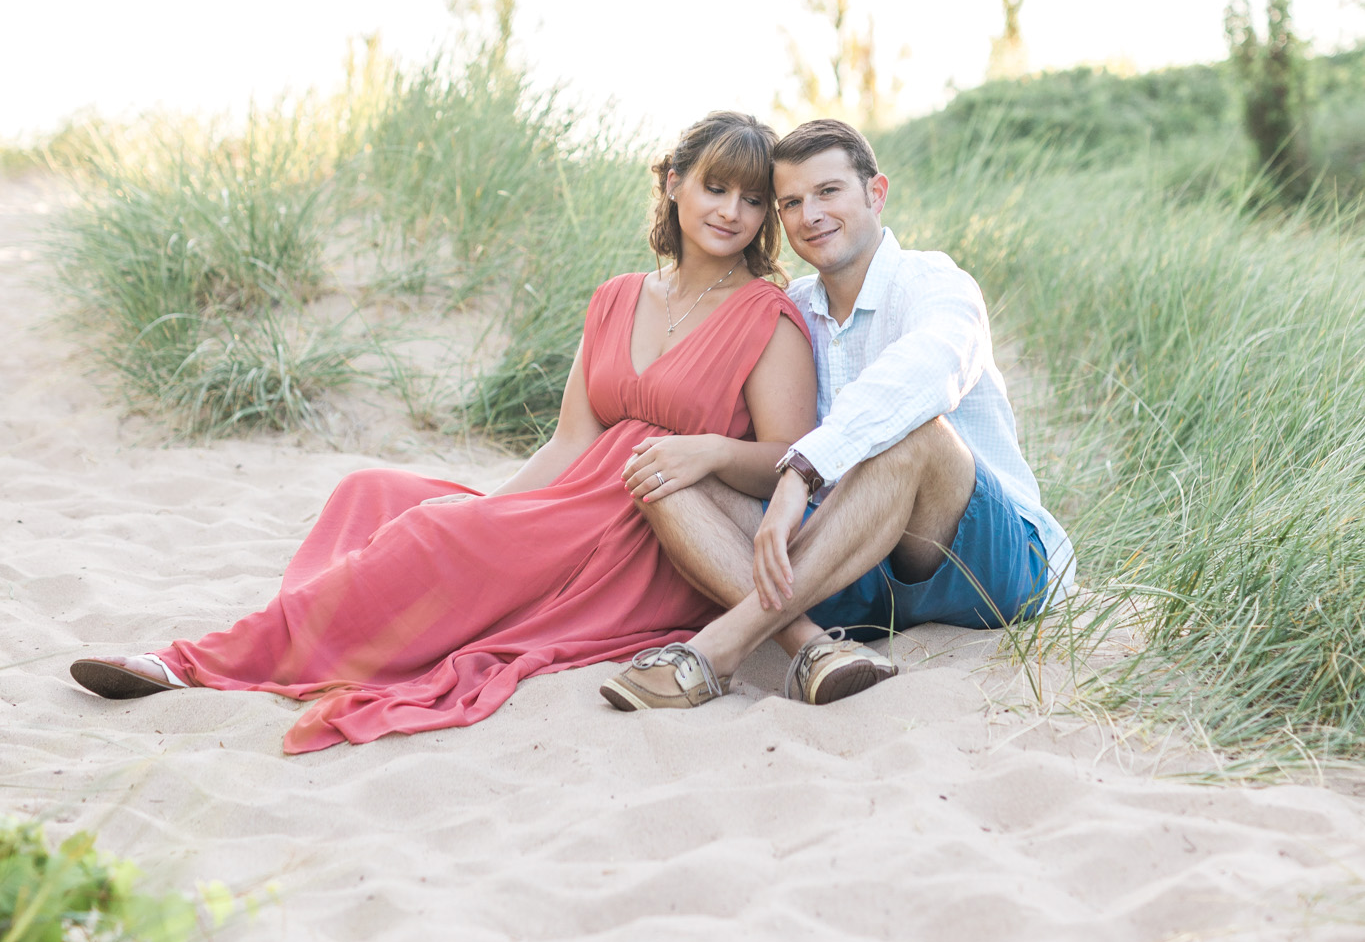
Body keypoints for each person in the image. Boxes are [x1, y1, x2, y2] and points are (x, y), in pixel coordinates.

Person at [70, 111, 837, 751]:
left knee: (423, 543)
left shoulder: (765, 318)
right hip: (569, 503)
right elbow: (571, 442)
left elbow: (788, 465)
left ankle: (190, 661)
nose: (731, 211)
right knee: (381, 494)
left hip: (643, 538)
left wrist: (710, 449)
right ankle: (334, 623)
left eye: (751, 198)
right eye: (714, 186)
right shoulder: (615, 298)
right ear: (672, 184)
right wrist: (486, 512)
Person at [602, 117, 1074, 712]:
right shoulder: (790, 310)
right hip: (856, 570)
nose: (810, 215)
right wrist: (707, 452)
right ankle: (818, 649)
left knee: (913, 435)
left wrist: (802, 470)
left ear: (875, 193)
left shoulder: (933, 282)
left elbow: (929, 369)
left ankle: (716, 652)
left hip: (986, 563)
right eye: (791, 202)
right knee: (660, 471)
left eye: (829, 192)